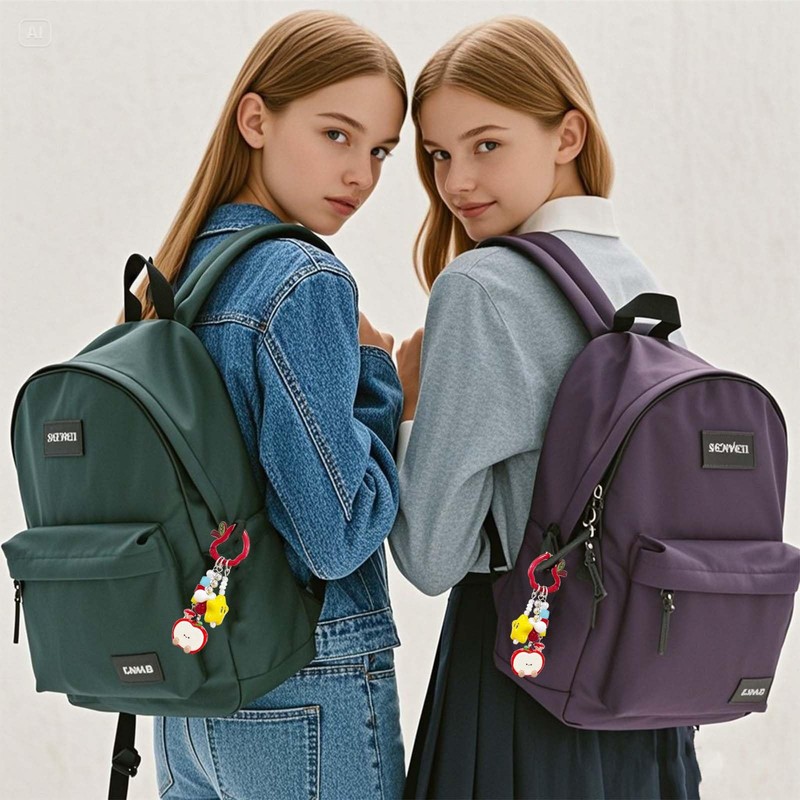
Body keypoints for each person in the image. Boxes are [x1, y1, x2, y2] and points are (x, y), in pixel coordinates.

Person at [390, 16, 702, 800]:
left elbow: (430, 558)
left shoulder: (480, 287)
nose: (457, 181)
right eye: (439, 154)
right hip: (646, 698)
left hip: (520, 683)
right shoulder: (633, 277)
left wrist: (408, 405)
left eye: (486, 145)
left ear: (567, 134)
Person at [126, 11, 407, 799]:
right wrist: (380, 379)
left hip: (190, 691)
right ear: (255, 120)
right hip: (304, 678)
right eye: (337, 134)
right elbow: (334, 538)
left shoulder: (178, 274)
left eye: (380, 151)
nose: (361, 175)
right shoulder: (303, 277)